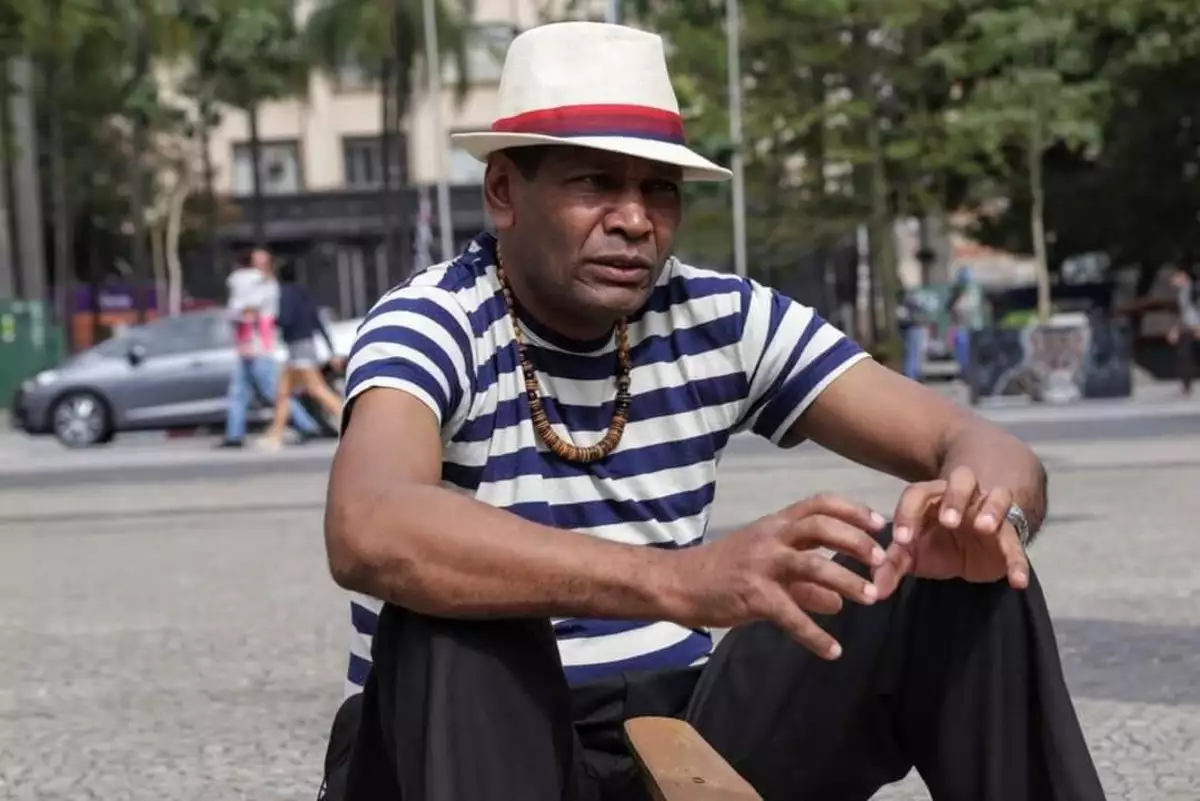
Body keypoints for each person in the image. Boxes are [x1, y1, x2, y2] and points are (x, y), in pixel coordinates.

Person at [320, 22, 1104, 801]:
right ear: (503, 193)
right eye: (594, 183)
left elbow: (979, 442)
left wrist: (985, 507)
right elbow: (369, 523)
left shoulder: (715, 313)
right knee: (452, 612)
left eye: (658, 188)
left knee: (957, 562)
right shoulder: (434, 319)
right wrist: (677, 580)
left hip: (674, 736)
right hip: (462, 744)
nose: (634, 218)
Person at [218, 247, 322, 448]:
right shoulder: (247, 281)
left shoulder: (268, 285)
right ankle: (234, 435)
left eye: (262, 262)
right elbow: (237, 309)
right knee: (239, 392)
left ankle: (307, 425)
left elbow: (252, 309)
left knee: (274, 391)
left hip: (261, 348)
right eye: (255, 261)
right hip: (244, 347)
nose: (258, 265)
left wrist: (241, 311)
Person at [258, 261, 346, 450]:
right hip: (307, 345)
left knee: (316, 389)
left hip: (297, 348)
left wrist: (273, 322)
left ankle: (348, 422)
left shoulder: (284, 294)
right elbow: (318, 321)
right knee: (283, 393)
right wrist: (330, 350)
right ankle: (276, 435)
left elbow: (285, 319)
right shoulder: (305, 293)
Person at [1166, 266, 1200, 396]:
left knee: (1188, 356)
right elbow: (1182, 314)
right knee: (1184, 356)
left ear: (1183, 277)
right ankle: (1186, 386)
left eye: (1176, 278)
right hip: (1187, 328)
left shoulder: (1194, 290)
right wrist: (1174, 330)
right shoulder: (1181, 293)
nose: (1173, 281)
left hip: (1195, 326)